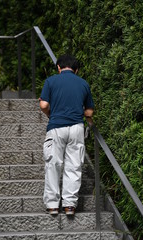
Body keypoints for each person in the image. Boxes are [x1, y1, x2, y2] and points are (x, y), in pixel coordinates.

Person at [39, 54, 94, 215]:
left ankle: (53, 205)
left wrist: (50, 114)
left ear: (59, 68)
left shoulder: (51, 81)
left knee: (53, 164)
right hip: (77, 128)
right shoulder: (83, 84)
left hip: (56, 127)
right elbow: (89, 111)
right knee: (74, 166)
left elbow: (43, 104)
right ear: (76, 70)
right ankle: (70, 205)